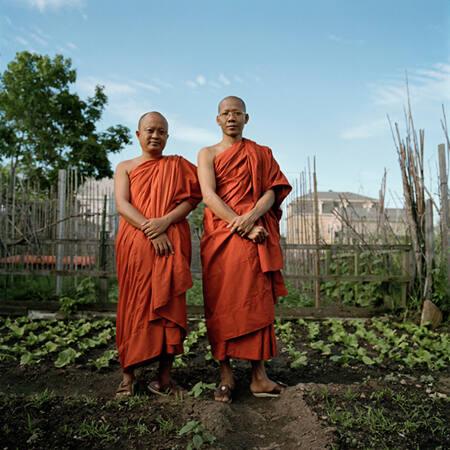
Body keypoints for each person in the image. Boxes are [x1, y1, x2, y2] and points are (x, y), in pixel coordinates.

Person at [197, 96, 292, 403]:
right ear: (217, 119)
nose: (231, 118)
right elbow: (209, 196)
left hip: (255, 236)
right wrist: (242, 225)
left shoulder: (260, 153)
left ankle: (259, 377)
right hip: (222, 236)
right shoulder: (207, 153)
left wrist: (251, 218)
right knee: (221, 303)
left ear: (246, 118)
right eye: (226, 113)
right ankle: (226, 376)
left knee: (256, 302)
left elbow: (271, 191)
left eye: (237, 113)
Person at [114, 111, 201, 397]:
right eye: (150, 130)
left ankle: (164, 378)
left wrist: (165, 222)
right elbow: (123, 205)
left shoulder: (177, 166)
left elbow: (193, 198)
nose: (155, 135)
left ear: (167, 136)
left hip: (170, 244)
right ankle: (128, 376)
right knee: (134, 305)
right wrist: (152, 229)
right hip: (136, 244)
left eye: (161, 131)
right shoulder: (125, 166)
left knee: (170, 306)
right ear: (138, 135)